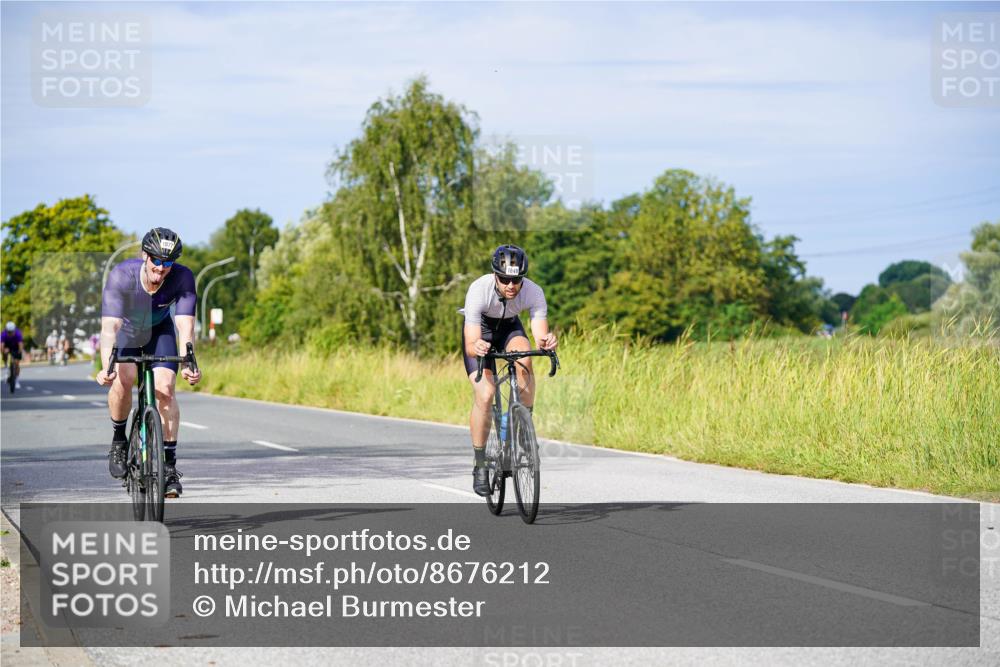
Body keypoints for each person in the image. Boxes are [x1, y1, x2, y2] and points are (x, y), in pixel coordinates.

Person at [95, 227, 201, 497]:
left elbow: (185, 325)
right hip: (128, 332)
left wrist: (189, 361)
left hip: (160, 332)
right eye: (157, 260)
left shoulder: (182, 277)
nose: (162, 268)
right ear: (145, 255)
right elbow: (110, 328)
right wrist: (107, 364)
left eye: (168, 263)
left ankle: (169, 467)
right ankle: (119, 440)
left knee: (165, 390)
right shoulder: (122, 275)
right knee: (123, 379)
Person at [461, 245, 557, 496]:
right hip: (480, 331)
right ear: (495, 275)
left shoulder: (534, 292)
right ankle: (480, 464)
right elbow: (471, 344)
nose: (511, 285)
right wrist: (477, 346)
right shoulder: (478, 290)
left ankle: (525, 428)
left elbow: (539, 332)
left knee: (525, 358)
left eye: (516, 280)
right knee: (486, 393)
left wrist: (546, 341)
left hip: (509, 328)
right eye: (504, 279)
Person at [1, 322, 25, 390]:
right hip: (7, 346)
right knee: (4, 354)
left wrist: (19, 352)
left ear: (14, 330)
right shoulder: (3, 334)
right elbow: (1, 345)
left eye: (11, 332)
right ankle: (6, 366)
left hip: (16, 347)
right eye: (9, 332)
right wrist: (3, 351)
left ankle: (17, 381)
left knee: (17, 364)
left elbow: (20, 344)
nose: (10, 333)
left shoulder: (18, 333)